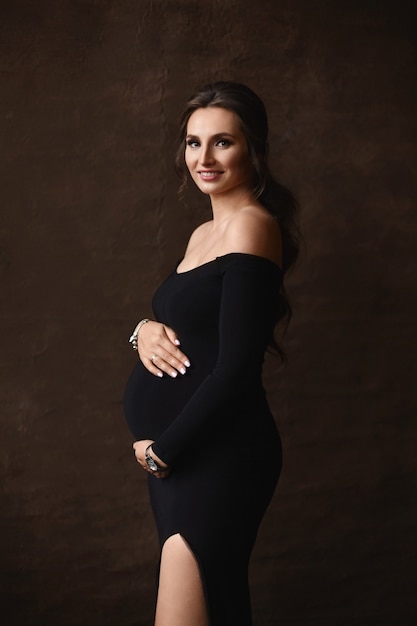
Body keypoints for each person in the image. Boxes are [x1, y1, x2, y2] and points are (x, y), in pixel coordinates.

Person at [124, 81, 299, 626]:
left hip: (216, 454)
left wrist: (164, 452)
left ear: (253, 148)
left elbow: (236, 369)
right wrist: (141, 330)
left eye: (222, 142)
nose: (204, 158)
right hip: (186, 457)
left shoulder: (250, 226)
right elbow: (192, 328)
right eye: (193, 143)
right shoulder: (204, 233)